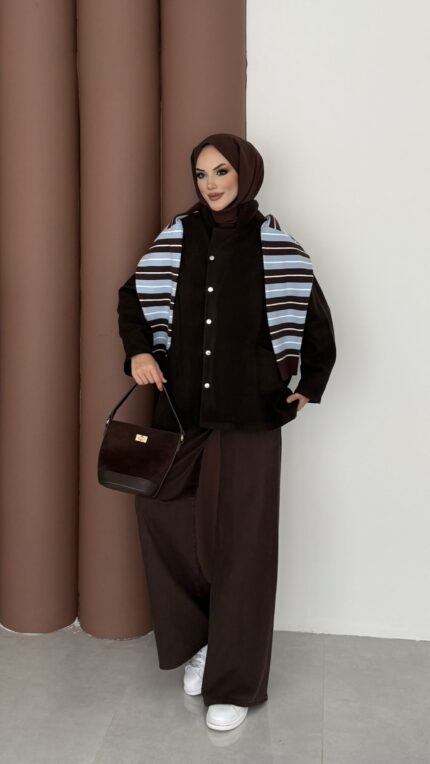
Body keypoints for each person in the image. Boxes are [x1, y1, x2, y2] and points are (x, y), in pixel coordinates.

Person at [117, 133, 336, 732]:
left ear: (245, 174)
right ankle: (204, 640)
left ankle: (235, 682)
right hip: (181, 407)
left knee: (245, 544)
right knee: (161, 511)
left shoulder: (277, 247)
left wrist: (310, 384)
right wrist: (139, 351)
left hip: (253, 412)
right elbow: (132, 299)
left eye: (221, 171)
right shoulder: (176, 237)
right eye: (201, 174)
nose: (210, 183)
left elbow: (315, 321)